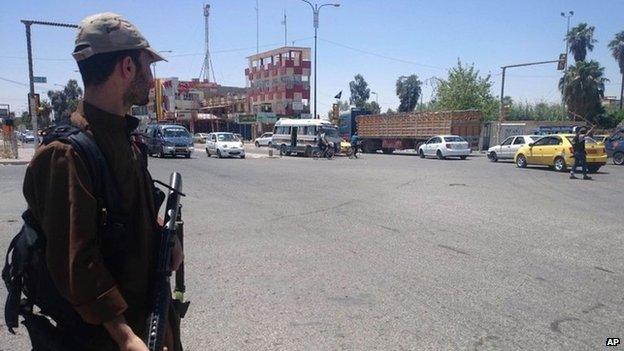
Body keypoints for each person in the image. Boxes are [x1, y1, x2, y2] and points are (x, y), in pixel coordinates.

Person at [22, 13, 183, 351]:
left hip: (147, 317)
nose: (150, 77)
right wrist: (126, 338)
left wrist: (163, 238)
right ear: (127, 67)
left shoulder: (126, 139)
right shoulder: (66, 154)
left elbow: (126, 215)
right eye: (146, 66)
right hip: (105, 338)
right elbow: (77, 264)